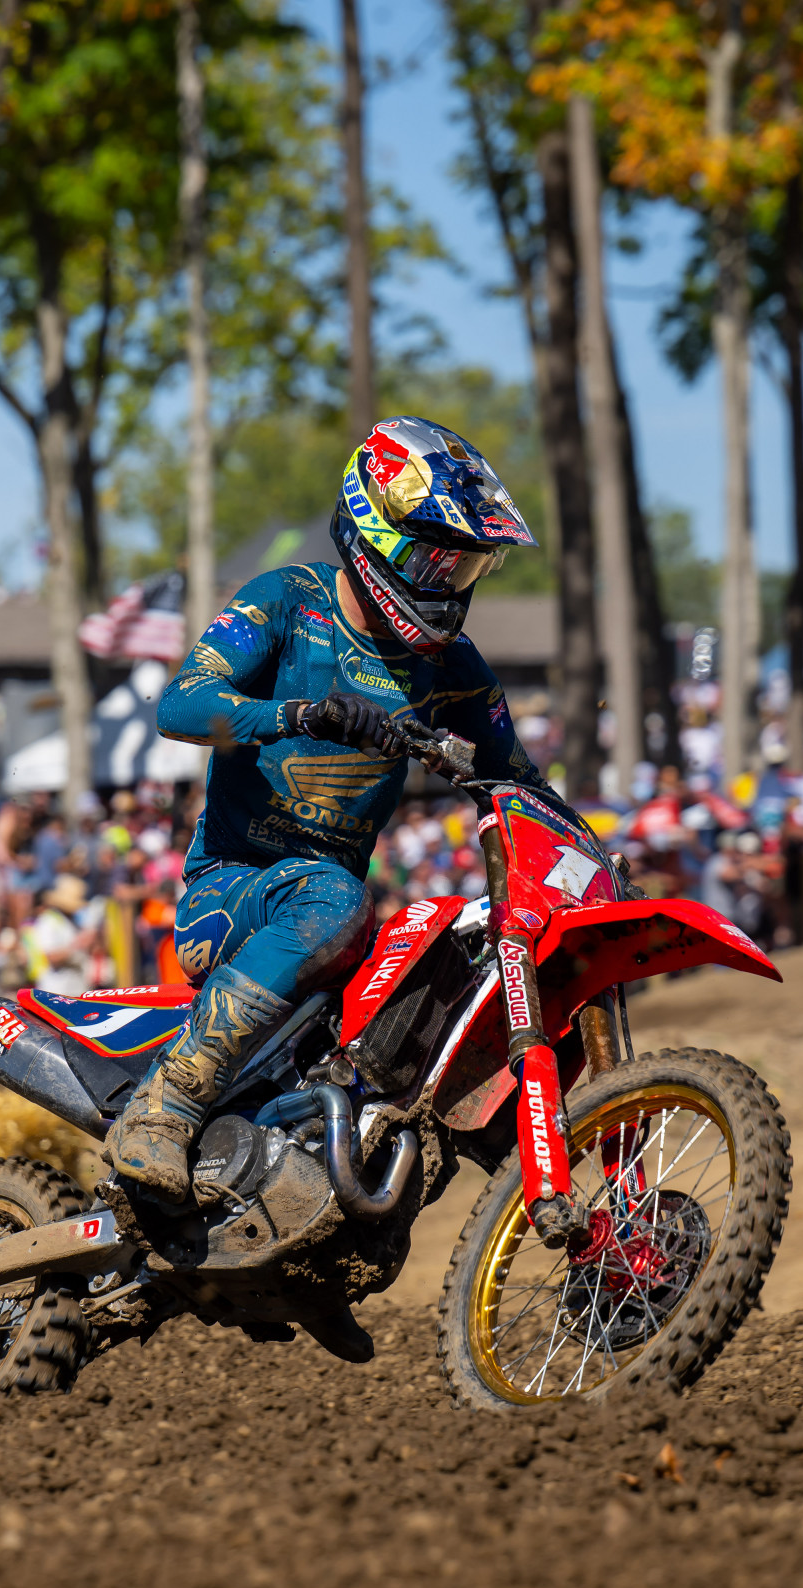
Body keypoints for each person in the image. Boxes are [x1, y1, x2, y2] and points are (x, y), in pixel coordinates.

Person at [103, 416, 549, 1314]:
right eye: (436, 561)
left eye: (465, 567)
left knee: (430, 1015)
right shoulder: (286, 600)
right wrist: (301, 714)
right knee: (337, 897)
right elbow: (181, 708)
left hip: (325, 908)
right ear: (374, 529)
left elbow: (518, 777)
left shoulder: (451, 665)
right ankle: (167, 1103)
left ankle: (316, 1248)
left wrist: (587, 845)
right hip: (232, 892)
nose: (450, 583)